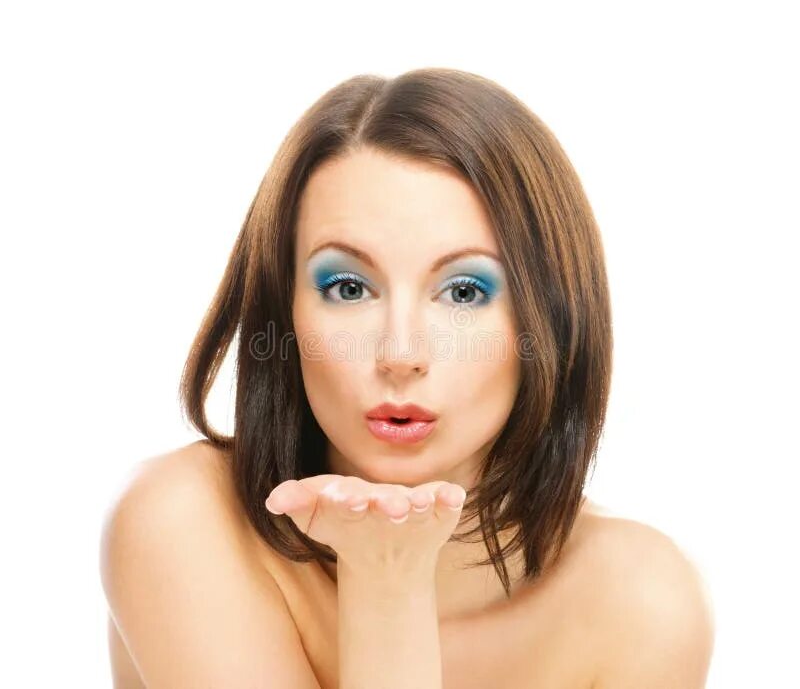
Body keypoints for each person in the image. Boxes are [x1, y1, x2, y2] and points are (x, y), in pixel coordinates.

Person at [99, 67, 715, 688]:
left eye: (464, 291)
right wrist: (385, 582)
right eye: (348, 287)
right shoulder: (182, 520)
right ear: (284, 308)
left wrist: (388, 574)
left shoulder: (640, 603)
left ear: (551, 315)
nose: (400, 354)